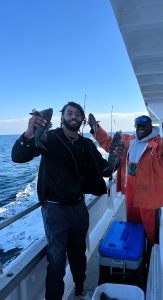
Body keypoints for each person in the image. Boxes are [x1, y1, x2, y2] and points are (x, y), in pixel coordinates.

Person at [11, 102, 120, 300]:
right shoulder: (48, 137)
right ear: (62, 117)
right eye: (69, 113)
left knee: (79, 254)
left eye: (78, 114)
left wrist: (116, 156)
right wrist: (29, 132)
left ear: (82, 120)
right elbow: (18, 157)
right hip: (54, 211)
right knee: (57, 260)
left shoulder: (87, 145)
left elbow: (106, 169)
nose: (73, 117)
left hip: (79, 207)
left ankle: (79, 290)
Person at [88, 114, 163, 246]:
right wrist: (96, 129)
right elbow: (109, 143)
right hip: (131, 189)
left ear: (150, 126)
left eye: (144, 125)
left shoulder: (160, 143)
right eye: (138, 125)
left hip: (149, 192)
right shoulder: (128, 140)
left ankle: (150, 253)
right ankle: (135, 251)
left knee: (150, 228)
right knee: (133, 224)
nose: (140, 128)